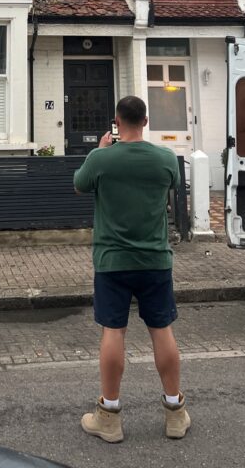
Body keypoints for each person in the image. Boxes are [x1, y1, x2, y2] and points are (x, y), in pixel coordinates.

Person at [73, 94, 190, 444]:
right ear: (146, 121)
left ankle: (109, 417)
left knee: (113, 331)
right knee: (161, 330)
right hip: (155, 260)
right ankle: (175, 414)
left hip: (112, 261)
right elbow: (173, 186)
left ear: (117, 122)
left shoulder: (101, 159)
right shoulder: (165, 159)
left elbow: (80, 184)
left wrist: (101, 151)